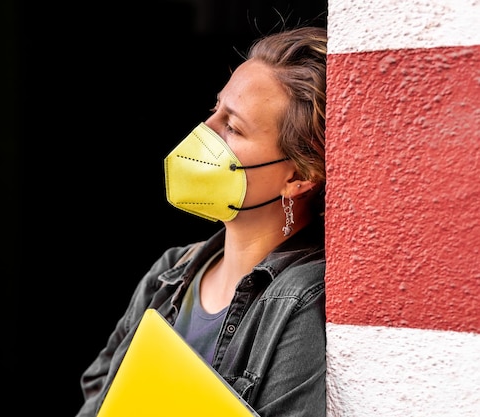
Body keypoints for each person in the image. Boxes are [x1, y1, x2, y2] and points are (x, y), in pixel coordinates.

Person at [76, 26, 327, 417]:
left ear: (298, 177)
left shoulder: (300, 301)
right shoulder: (171, 271)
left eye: (233, 127)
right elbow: (97, 396)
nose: (203, 132)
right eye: (216, 110)